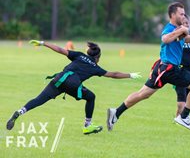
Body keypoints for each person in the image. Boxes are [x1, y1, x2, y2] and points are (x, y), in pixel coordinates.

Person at [107, 2, 190, 131]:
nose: (184, 16)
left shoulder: (179, 30)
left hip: (162, 68)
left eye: (184, 13)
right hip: (170, 69)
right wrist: (181, 30)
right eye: (181, 13)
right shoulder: (170, 28)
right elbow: (165, 39)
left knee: (143, 94)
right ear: (173, 15)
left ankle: (115, 113)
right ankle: (184, 117)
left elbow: (187, 39)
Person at [6, 40, 141, 135]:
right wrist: (130, 75)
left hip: (59, 79)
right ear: (98, 57)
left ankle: (20, 111)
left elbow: (60, 50)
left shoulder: (79, 55)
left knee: (39, 99)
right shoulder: (95, 67)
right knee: (91, 97)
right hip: (73, 84)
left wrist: (43, 43)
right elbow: (113, 74)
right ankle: (87, 126)